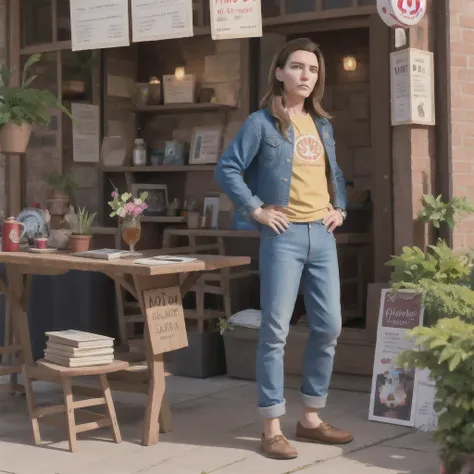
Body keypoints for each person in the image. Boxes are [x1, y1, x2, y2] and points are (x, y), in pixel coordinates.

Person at [214, 38, 353, 459]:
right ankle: (271, 426)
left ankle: (310, 418)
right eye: (297, 67)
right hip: (284, 235)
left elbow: (337, 175)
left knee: (328, 327)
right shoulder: (261, 123)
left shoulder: (323, 125)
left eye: (312, 69)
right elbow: (228, 168)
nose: (305, 75)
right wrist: (256, 210)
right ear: (280, 72)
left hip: (321, 237)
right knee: (275, 331)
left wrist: (340, 209)